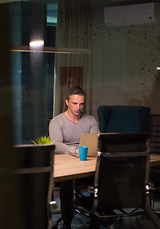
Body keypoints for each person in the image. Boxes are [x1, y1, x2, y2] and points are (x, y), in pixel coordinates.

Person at [49, 86, 100, 229]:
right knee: (67, 181)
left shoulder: (90, 120)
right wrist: (75, 150)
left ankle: (96, 218)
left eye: (81, 104)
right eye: (75, 103)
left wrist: (84, 152)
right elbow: (56, 144)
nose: (78, 107)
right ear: (67, 102)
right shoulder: (57, 121)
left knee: (102, 176)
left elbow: (97, 141)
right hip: (67, 162)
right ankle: (67, 222)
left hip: (87, 160)